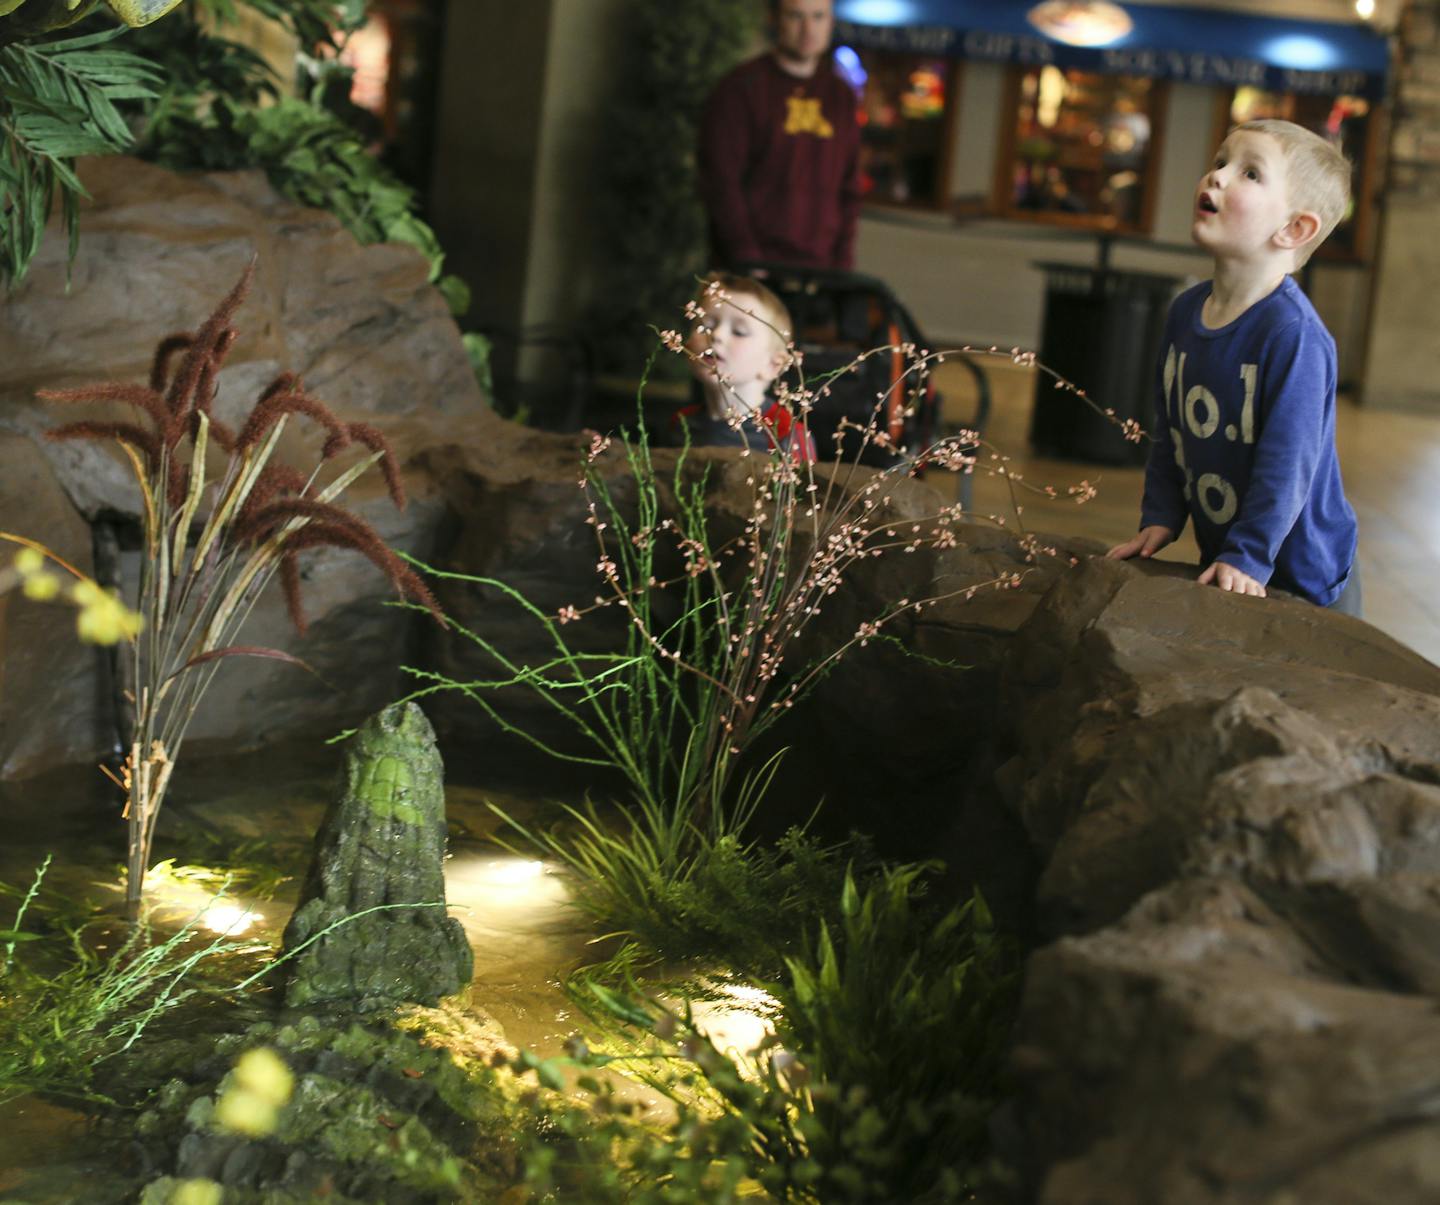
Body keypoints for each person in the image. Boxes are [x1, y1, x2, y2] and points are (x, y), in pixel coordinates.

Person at [1107, 119, 1360, 615]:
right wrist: (1161, 515)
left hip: (1306, 578)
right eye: (1221, 161)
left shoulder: (1294, 336)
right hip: (1235, 562)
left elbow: (1288, 463)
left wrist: (1248, 554)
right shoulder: (1185, 312)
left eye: (1250, 174)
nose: (1217, 177)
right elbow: (1172, 430)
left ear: (1294, 229)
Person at [697, 0, 861, 271]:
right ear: (774, 20)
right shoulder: (740, 89)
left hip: (822, 275)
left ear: (831, 23)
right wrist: (745, 254)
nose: (808, 29)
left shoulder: (841, 97)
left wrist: (842, 265)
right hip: (749, 270)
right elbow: (720, 181)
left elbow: (850, 189)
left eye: (818, 17)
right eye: (796, 16)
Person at [680, 273, 816, 461]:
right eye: (706, 325)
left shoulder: (786, 434)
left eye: (739, 332)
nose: (716, 335)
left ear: (773, 364)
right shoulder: (681, 424)